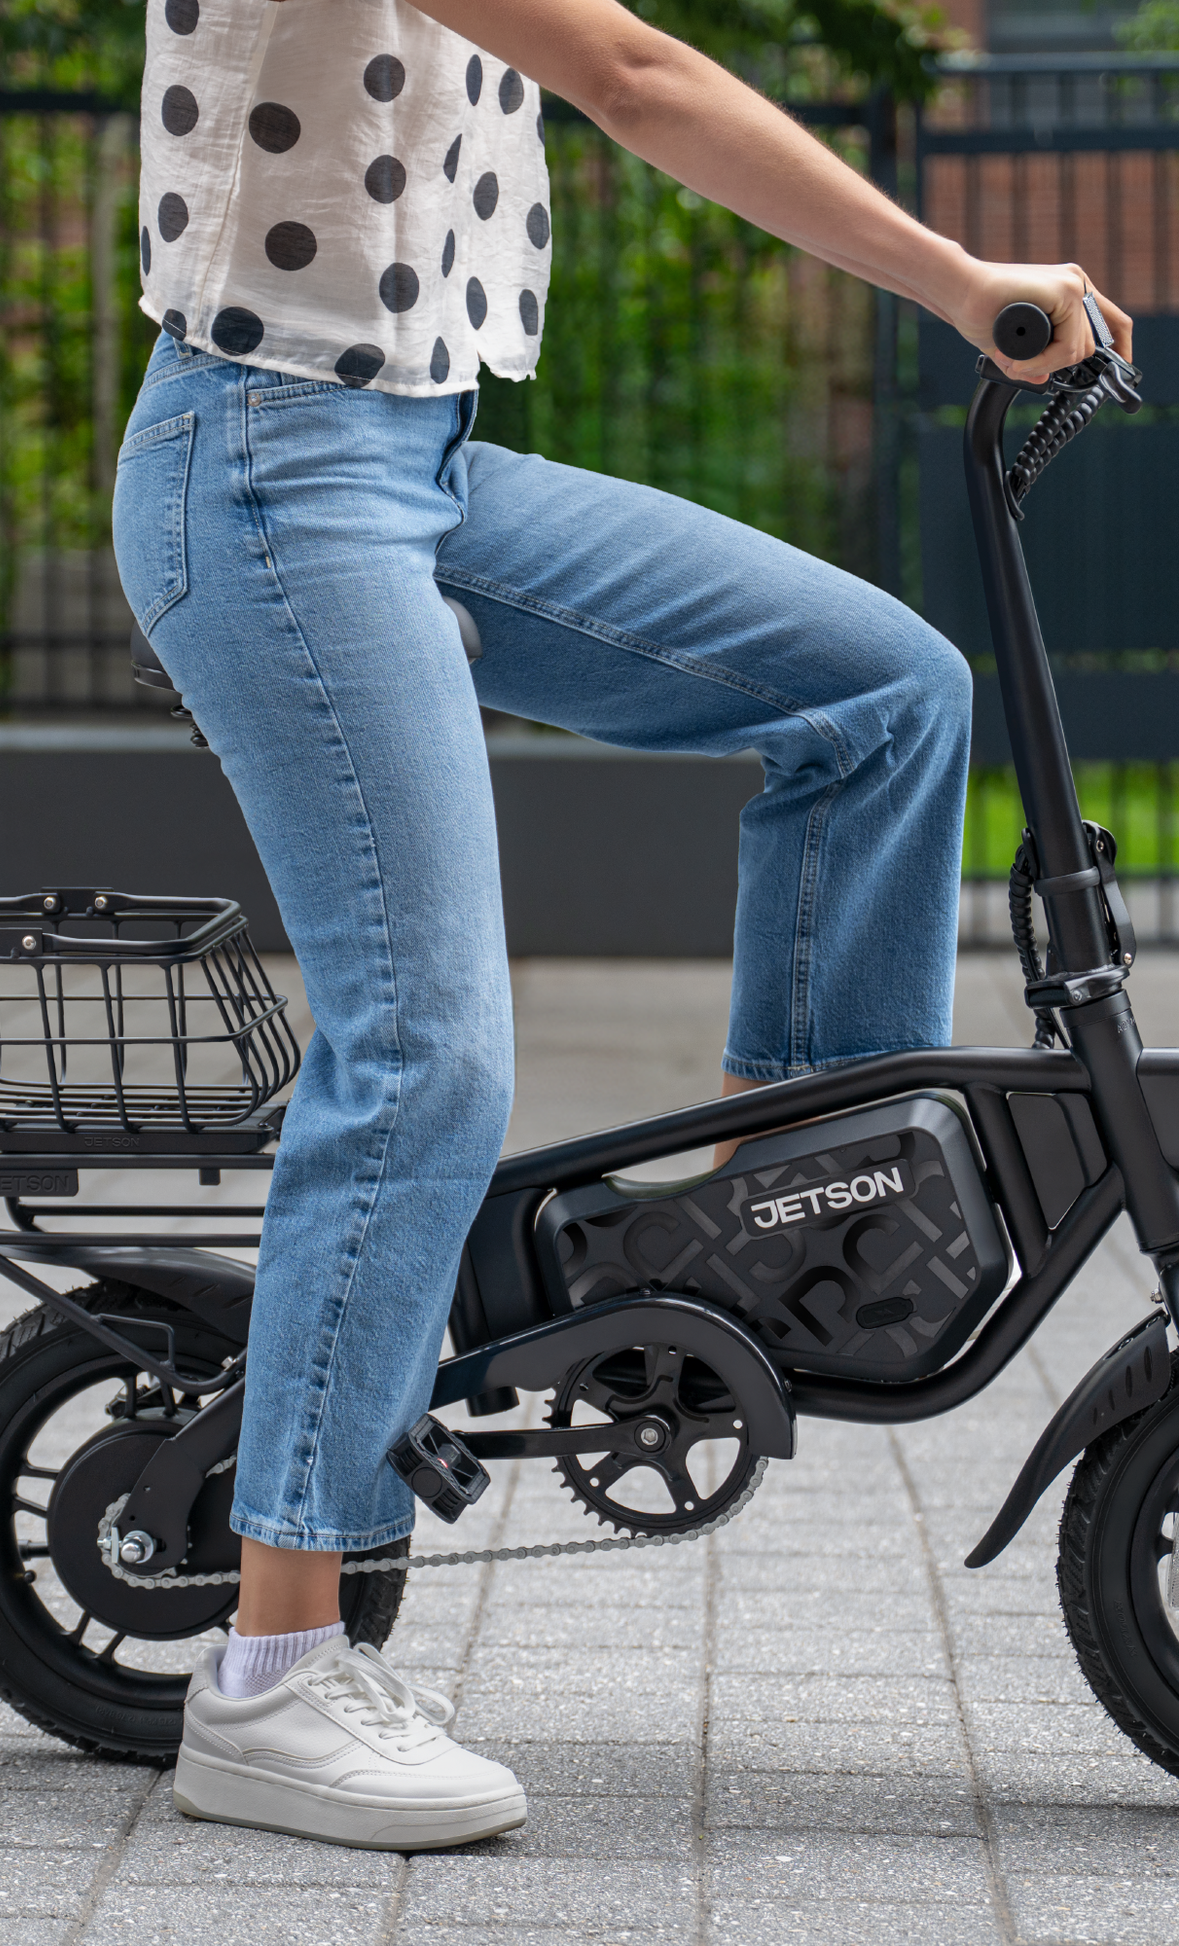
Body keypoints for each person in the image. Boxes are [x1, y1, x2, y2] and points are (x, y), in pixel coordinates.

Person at [110, 0, 1133, 1854]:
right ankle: (269, 1677)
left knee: (880, 695)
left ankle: (757, 1222)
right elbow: (632, 74)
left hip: (412, 461)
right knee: (422, 1049)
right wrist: (952, 277)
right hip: (265, 475)